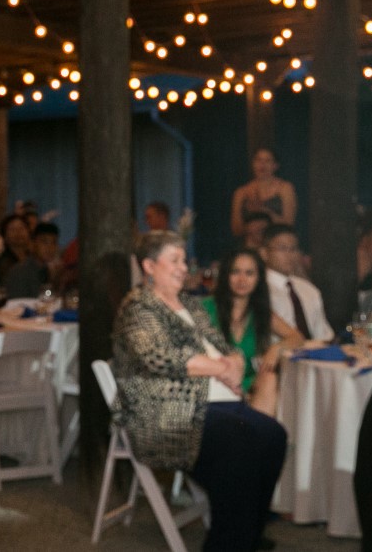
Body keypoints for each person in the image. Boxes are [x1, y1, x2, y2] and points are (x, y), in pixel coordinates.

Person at [112, 230, 286, 551]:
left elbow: (222, 345)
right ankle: (227, 542)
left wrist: (233, 359)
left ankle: (248, 533)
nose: (183, 267)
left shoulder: (190, 304)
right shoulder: (138, 307)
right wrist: (220, 367)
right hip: (165, 412)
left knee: (273, 436)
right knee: (241, 446)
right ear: (149, 266)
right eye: (174, 260)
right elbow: (157, 357)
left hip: (213, 404)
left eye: (184, 260)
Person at [201, 248, 304, 417]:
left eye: (249, 273)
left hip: (250, 386)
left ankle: (256, 437)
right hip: (215, 384)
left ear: (258, 279)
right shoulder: (205, 307)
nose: (242, 280)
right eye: (235, 272)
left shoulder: (260, 312)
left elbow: (297, 337)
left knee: (270, 378)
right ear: (226, 275)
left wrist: (275, 349)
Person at [261, 225, 334, 342]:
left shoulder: (309, 290)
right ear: (264, 253)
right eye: (282, 248)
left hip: (313, 355)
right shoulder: (259, 289)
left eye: (294, 249)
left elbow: (323, 335)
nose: (289, 255)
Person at [231, 148, 297, 237]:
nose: (262, 165)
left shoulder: (285, 188)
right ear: (253, 164)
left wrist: (263, 210)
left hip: (276, 241)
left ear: (275, 165)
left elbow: (289, 224)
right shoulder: (241, 192)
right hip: (250, 243)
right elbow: (236, 230)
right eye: (258, 160)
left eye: (267, 161)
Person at [0, 213, 33, 289]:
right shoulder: (2, 263)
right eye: (12, 229)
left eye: (22, 228)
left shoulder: (33, 258)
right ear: (4, 236)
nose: (18, 233)